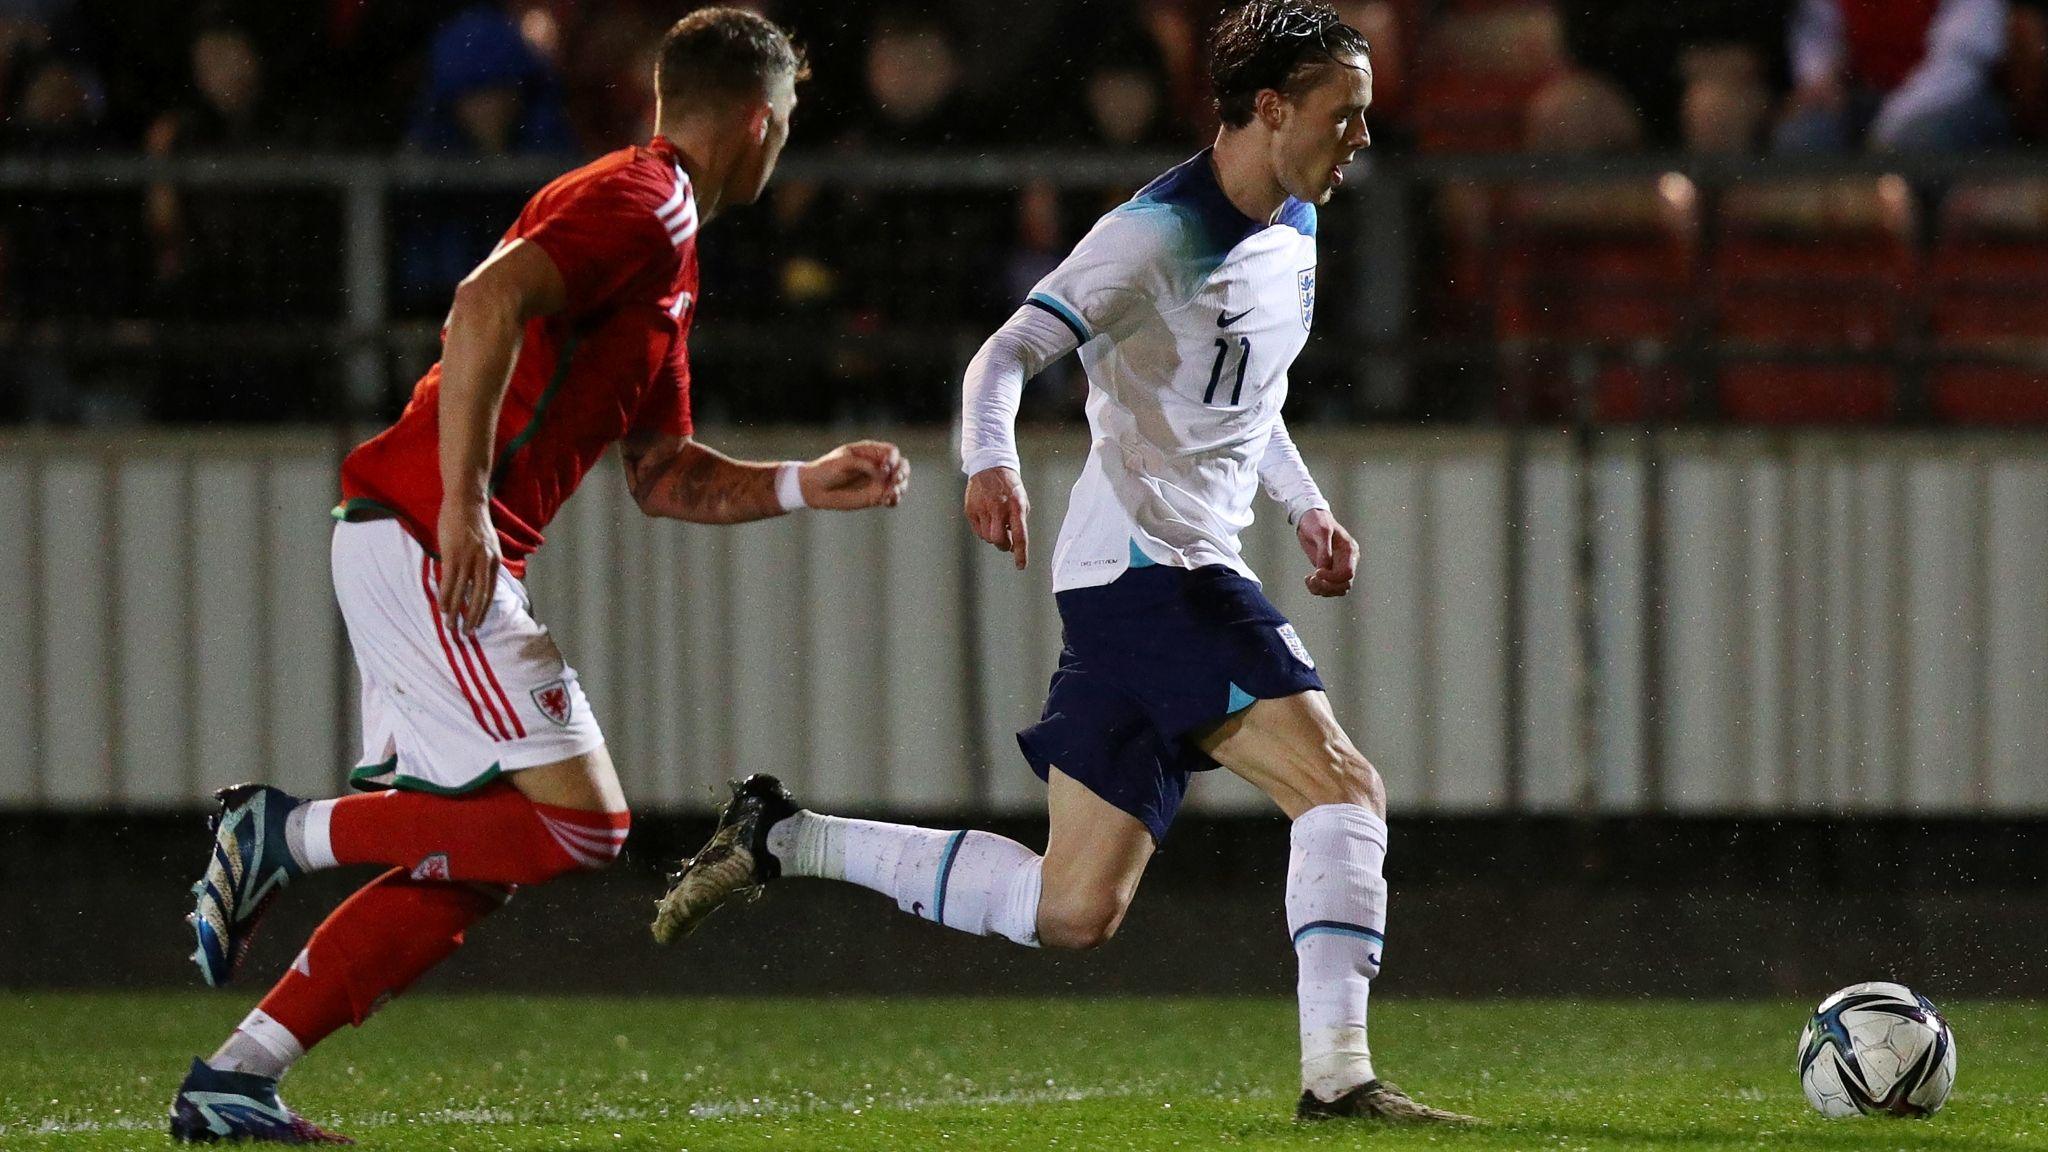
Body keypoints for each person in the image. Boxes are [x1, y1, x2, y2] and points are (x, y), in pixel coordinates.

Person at [655, 0, 1474, 1127]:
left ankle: (782, 836)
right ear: (1270, 108)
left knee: (1070, 907)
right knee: (1341, 787)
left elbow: (1247, 392)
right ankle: (1337, 1077)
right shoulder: (1151, 235)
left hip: (1132, 575)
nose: (1363, 140)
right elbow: (1003, 357)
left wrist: (1305, 505)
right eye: (1347, 115)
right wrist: (987, 463)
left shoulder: (1296, 214)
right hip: (1155, 571)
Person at [167, 9, 909, 1144]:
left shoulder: (668, 243)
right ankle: (285, 833)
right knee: (583, 827)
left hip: (422, 535)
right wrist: (464, 502)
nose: (788, 143)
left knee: (471, 861)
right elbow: (484, 301)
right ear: (758, 120)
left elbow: (660, 476)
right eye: (792, 120)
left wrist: (807, 483)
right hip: (430, 533)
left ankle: (237, 1078)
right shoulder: (645, 198)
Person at [1774, 0, 2011, 152]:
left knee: (1915, 145)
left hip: (1950, 98)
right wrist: (1818, 76)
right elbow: (1818, 29)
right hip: (1865, 97)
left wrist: (1890, 126)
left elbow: (1960, 61)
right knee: (1801, 138)